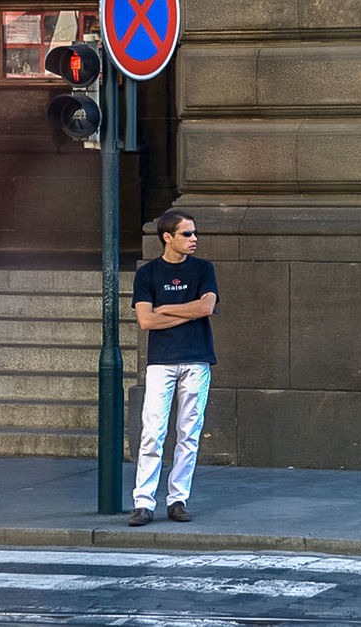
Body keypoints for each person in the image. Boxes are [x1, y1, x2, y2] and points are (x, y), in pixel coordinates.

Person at [128, 209, 219, 526]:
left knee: (188, 434)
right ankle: (143, 503)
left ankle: (177, 500)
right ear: (167, 237)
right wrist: (189, 311)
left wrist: (168, 308)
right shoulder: (148, 274)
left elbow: (207, 306)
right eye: (187, 234)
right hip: (161, 362)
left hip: (197, 359)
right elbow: (146, 320)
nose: (194, 239)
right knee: (152, 432)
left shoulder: (203, 269)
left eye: (194, 233)